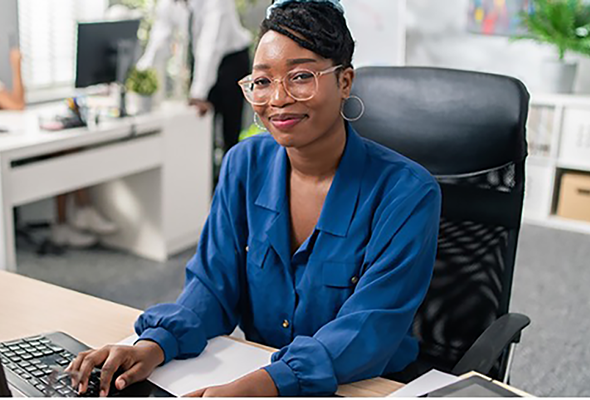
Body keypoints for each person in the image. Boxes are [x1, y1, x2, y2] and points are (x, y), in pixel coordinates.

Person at [67, 0, 442, 396]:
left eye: (300, 77)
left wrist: (258, 387)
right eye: (262, 81)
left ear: (344, 82)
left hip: (363, 385)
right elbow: (212, 287)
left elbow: (369, 328)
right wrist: (154, 344)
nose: (277, 98)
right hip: (257, 367)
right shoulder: (243, 165)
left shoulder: (407, 192)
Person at [137, 0, 252, 155]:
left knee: (229, 132)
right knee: (201, 127)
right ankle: (208, 176)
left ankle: (230, 174)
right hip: (202, 63)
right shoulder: (169, 3)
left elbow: (211, 44)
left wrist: (199, 94)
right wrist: (140, 73)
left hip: (231, 60)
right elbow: (160, 37)